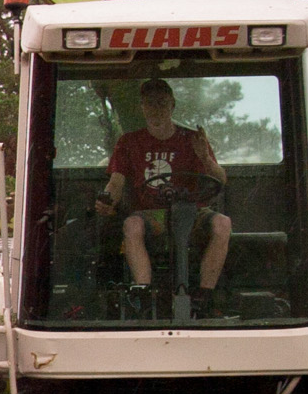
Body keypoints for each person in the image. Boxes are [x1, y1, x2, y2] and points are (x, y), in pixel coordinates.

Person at [94, 77, 231, 311]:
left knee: (222, 224)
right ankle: (144, 293)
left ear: (172, 105)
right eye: (150, 103)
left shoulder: (193, 140)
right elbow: (116, 181)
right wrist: (107, 200)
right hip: (151, 216)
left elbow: (220, 180)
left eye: (161, 103)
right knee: (131, 226)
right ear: (142, 107)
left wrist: (205, 158)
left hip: (193, 212)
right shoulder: (129, 142)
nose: (156, 109)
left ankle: (204, 296)